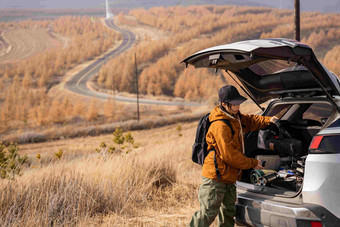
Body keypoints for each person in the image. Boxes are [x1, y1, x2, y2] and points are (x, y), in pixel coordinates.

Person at [188, 85, 278, 227]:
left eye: (239, 103)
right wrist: (252, 163)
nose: (238, 106)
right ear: (224, 104)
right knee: (207, 213)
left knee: (228, 213)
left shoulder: (235, 117)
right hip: (215, 178)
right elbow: (229, 155)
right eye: (235, 104)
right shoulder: (220, 126)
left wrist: (268, 120)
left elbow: (250, 121)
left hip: (229, 176)